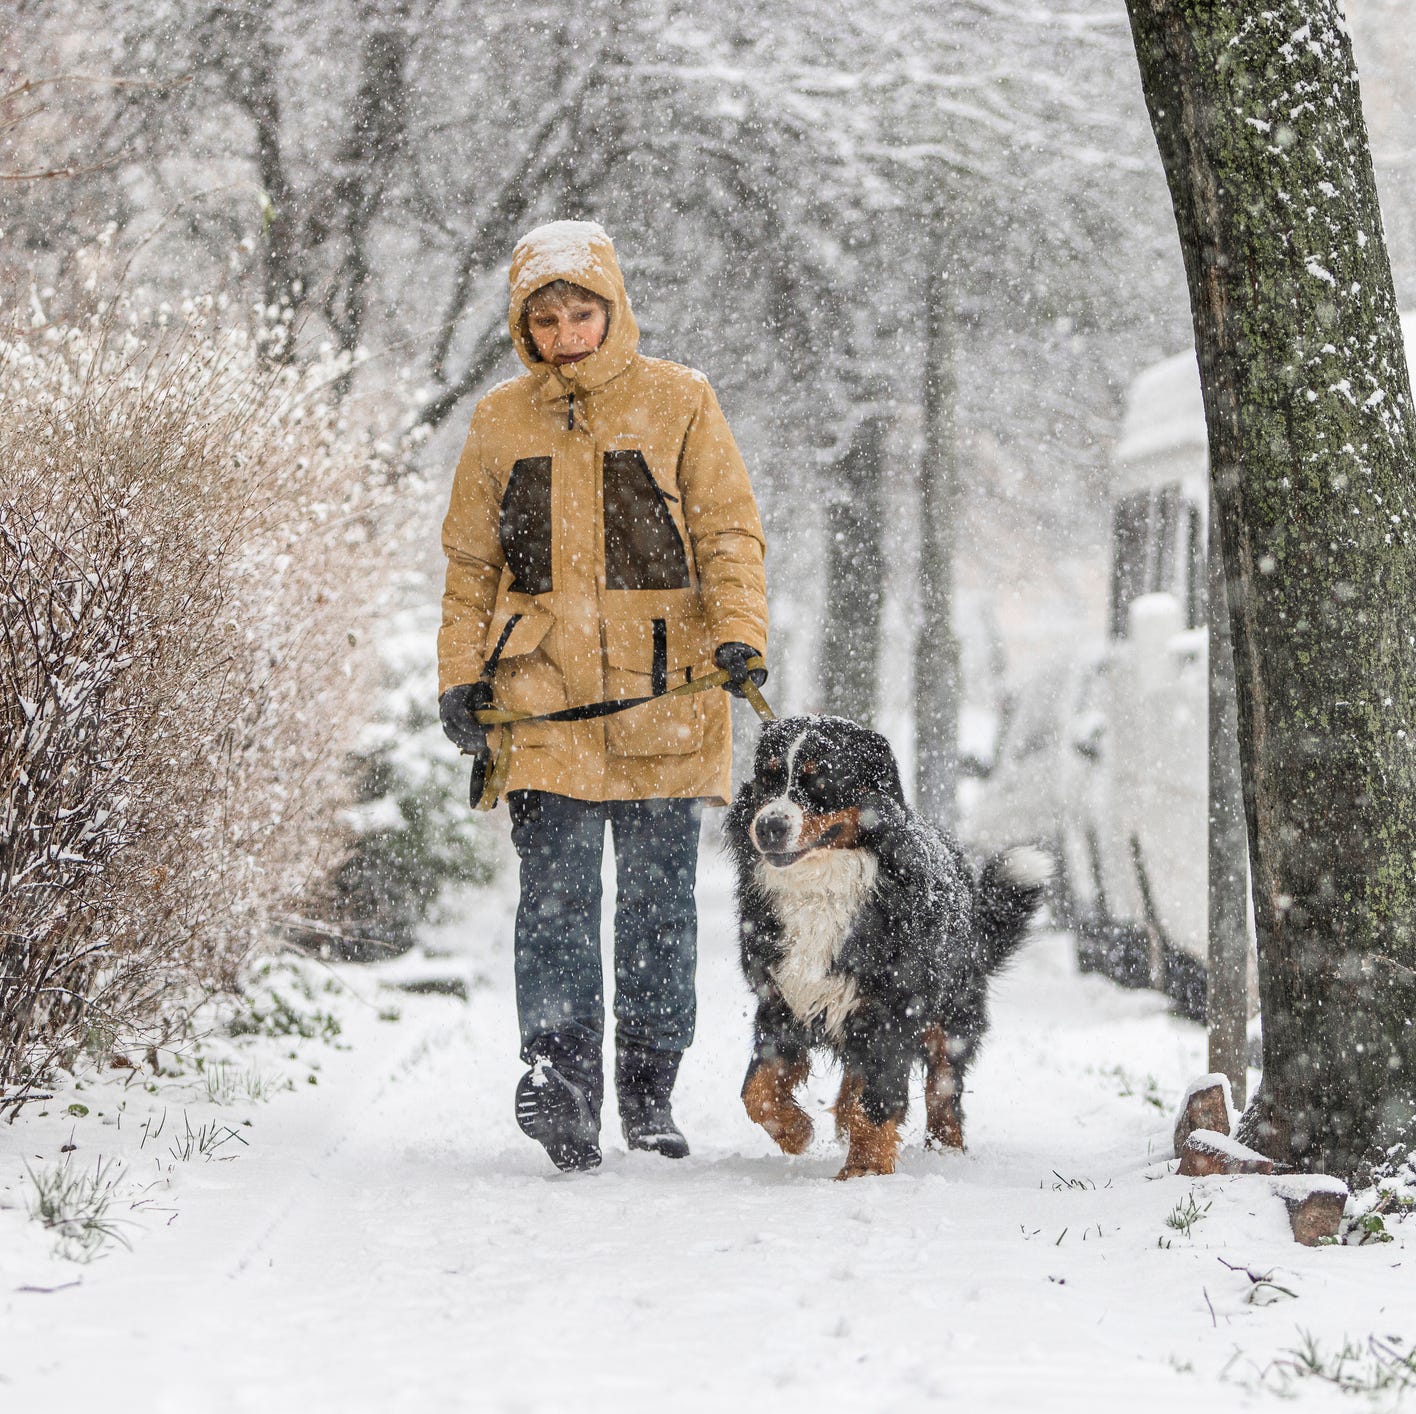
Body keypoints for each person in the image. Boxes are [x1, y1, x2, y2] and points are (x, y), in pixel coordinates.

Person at [437, 221, 769, 1172]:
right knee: (556, 899)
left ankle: (649, 1090)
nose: (567, 332)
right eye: (547, 318)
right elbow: (469, 564)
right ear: (525, 325)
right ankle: (565, 1083)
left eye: (583, 313)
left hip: (666, 693)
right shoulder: (501, 422)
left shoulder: (679, 402)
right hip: (541, 702)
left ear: (611, 310)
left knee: (660, 904)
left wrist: (742, 633)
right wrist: (460, 674)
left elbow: (729, 535)